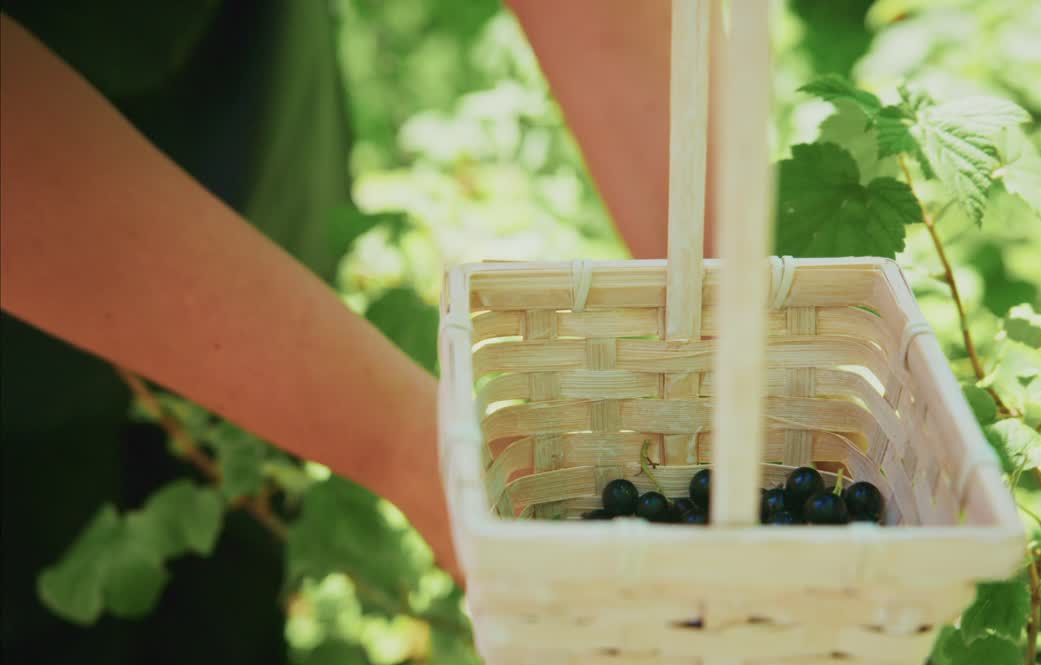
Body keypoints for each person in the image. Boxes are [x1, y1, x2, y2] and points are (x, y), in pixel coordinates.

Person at [1, 1, 715, 588]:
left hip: (239, 134)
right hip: (28, 353)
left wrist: (719, 306)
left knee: (224, 644)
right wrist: (419, 449)